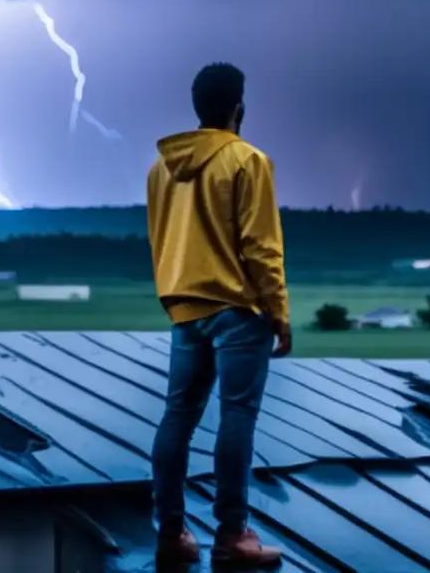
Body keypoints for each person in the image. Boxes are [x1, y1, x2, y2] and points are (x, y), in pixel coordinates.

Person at [147, 62, 291, 568]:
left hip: (184, 308)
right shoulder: (248, 161)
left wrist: (176, 293)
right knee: (238, 416)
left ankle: (170, 533)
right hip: (238, 310)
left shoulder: (160, 168)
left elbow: (160, 237)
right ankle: (232, 537)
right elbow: (260, 246)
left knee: (177, 417)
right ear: (239, 108)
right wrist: (278, 311)